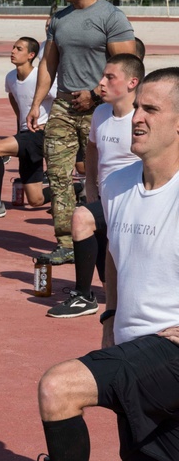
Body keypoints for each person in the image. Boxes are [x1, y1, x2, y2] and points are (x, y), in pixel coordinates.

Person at [17, 68, 179, 461]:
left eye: (152, 109)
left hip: (170, 349)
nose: (138, 117)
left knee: (60, 387)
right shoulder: (120, 182)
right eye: (140, 107)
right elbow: (112, 255)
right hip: (131, 344)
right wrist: (109, 312)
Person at [27, 0, 137, 265]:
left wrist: (95, 95)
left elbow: (128, 70)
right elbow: (49, 63)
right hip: (62, 105)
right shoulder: (59, 18)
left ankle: (107, 235)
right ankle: (66, 242)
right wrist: (37, 104)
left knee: (106, 175)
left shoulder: (111, 17)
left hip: (102, 109)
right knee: (58, 176)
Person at [46, 54, 143, 319]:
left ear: (132, 82)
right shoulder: (100, 113)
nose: (100, 83)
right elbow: (91, 148)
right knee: (101, 245)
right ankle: (106, 297)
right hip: (105, 196)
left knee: (81, 219)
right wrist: (90, 183)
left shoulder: (142, 118)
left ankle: (83, 296)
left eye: (110, 77)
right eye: (102, 76)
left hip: (133, 200)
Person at [0, 37, 55, 220]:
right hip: (25, 134)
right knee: (35, 199)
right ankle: (77, 188)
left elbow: (60, 100)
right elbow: (13, 96)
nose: (13, 51)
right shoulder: (10, 77)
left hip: (40, 134)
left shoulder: (41, 77)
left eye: (19, 49)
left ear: (31, 55)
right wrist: (20, 123)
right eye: (13, 47)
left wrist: (50, 124)